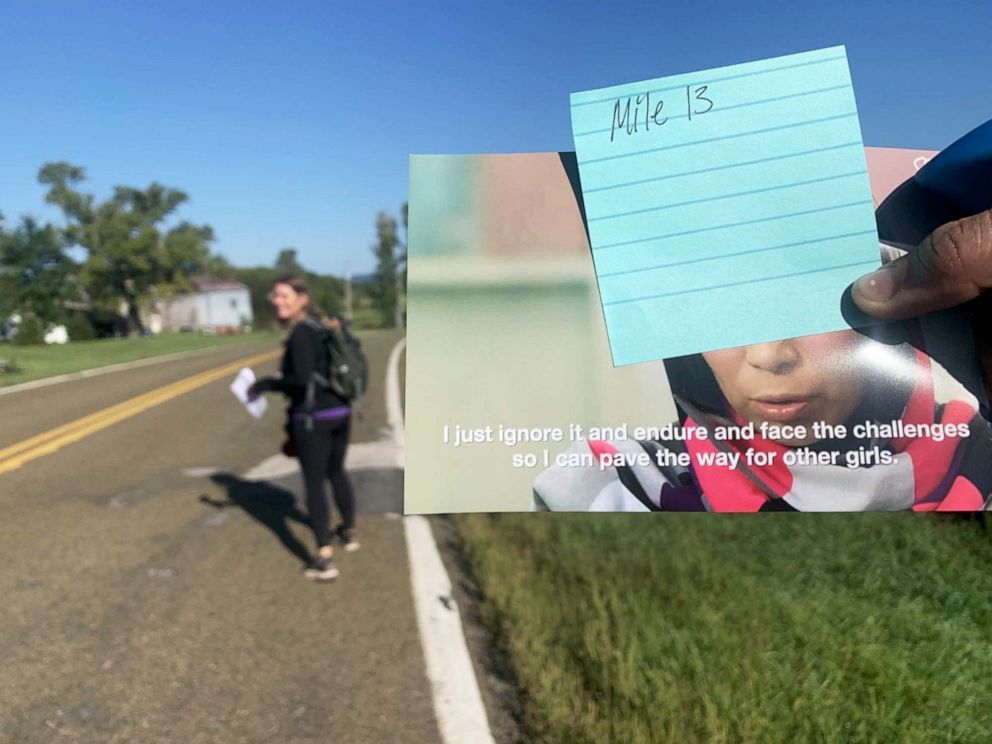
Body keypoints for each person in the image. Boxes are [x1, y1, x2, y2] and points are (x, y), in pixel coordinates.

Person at [533, 209, 992, 513]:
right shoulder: (613, 484)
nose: (769, 356)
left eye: (810, 304)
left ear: (886, 301)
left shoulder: (981, 455)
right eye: (724, 311)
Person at [249, 275, 359, 581]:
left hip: (313, 418)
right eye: (275, 296)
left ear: (302, 299)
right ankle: (348, 532)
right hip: (341, 410)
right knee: (336, 471)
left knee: (313, 483)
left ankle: (323, 557)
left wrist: (266, 383)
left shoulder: (300, 334)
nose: (277, 301)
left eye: (285, 296)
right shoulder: (323, 326)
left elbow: (301, 380)